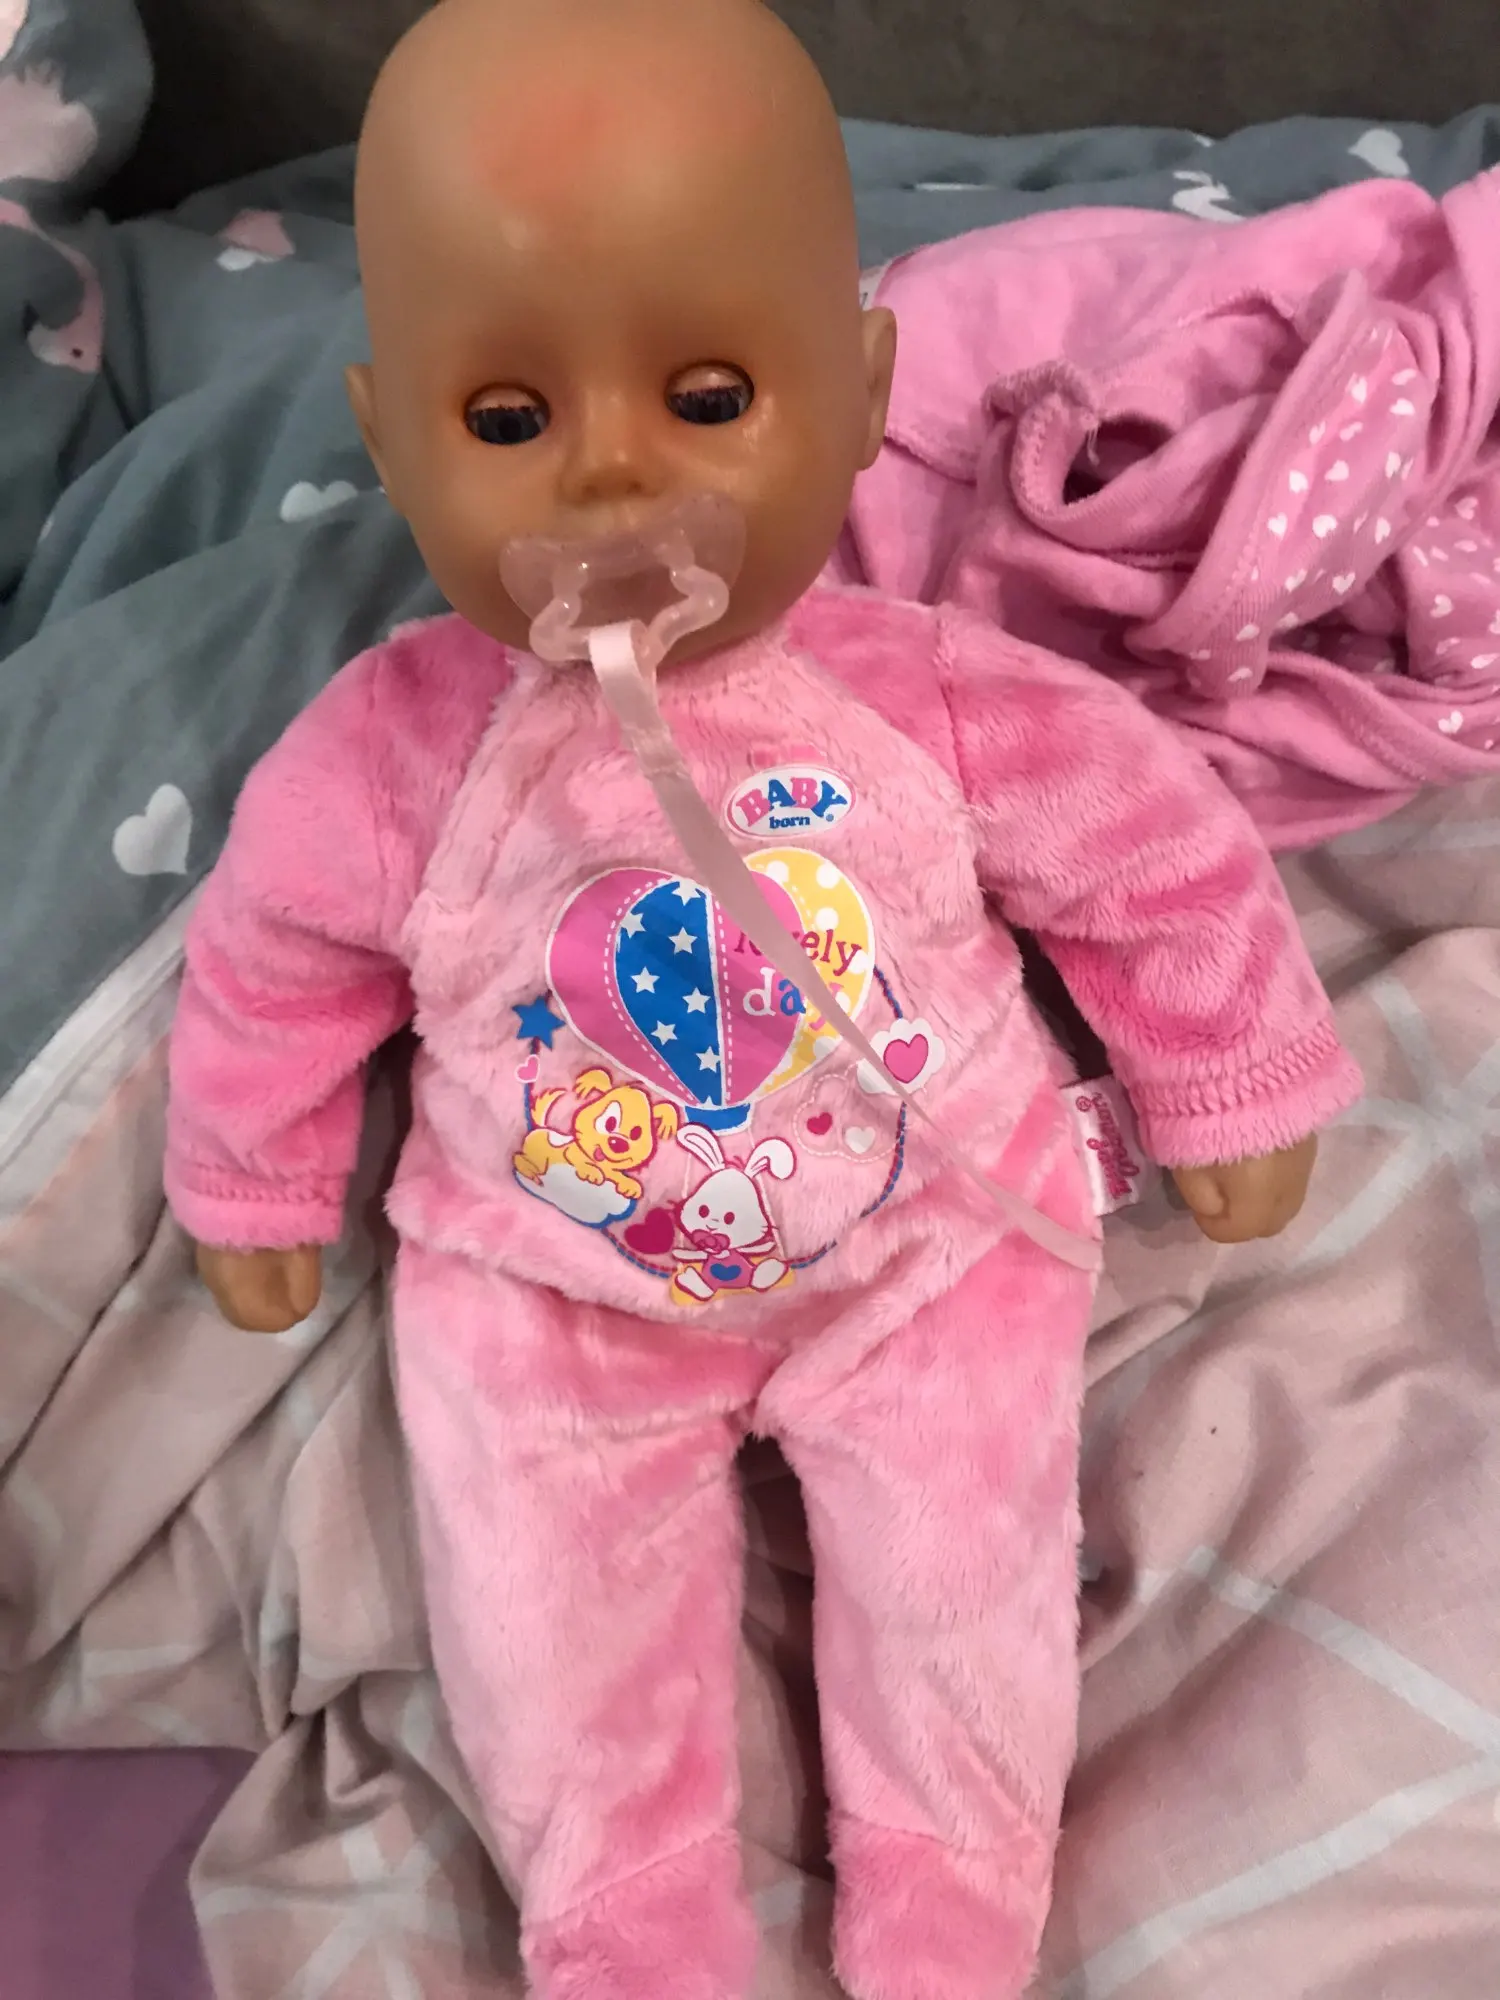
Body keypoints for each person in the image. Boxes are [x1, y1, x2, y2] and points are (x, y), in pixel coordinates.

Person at [164, 2, 1361, 1993]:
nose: (613, 473)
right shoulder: (389, 755)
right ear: (388, 441)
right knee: (539, 1618)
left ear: (859, 387)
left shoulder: (927, 698)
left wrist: (1227, 1074)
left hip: (925, 1248)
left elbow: (1152, 851)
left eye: (710, 394)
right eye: (507, 421)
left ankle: (949, 1906)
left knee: (963, 1589)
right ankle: (621, 1927)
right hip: (556, 1291)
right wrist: (251, 1179)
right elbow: (271, 961)